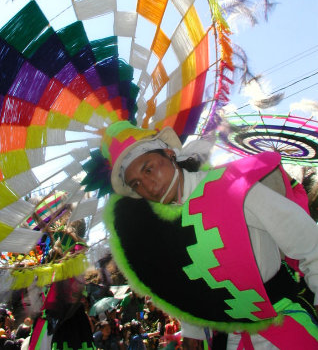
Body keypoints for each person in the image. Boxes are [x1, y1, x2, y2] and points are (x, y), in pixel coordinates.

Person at [98, 120, 318, 349]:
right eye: (137, 184)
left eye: (149, 169)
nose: (150, 187)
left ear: (169, 153)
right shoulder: (166, 234)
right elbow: (192, 289)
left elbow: (311, 245)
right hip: (233, 340)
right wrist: (194, 331)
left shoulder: (233, 185)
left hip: (286, 331)